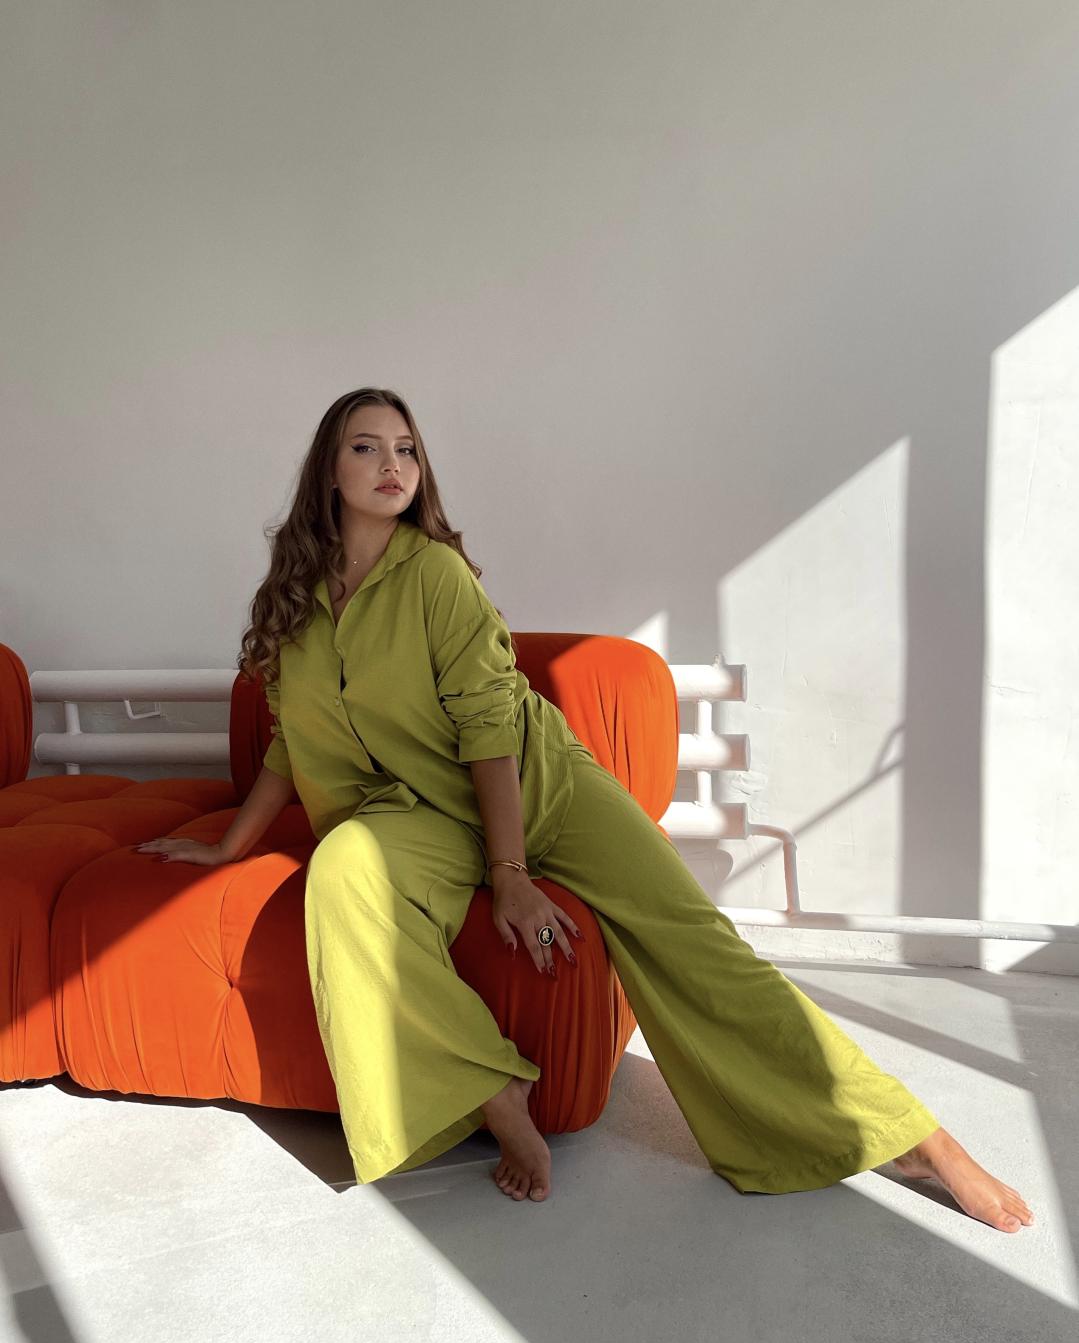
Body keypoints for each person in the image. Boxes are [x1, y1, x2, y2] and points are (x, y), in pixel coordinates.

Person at [136, 387, 1034, 1234]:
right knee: (341, 873)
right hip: (416, 816)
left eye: (406, 449)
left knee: (696, 944)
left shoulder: (435, 576)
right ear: (328, 474)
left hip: (543, 791)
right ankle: (493, 1091)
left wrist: (511, 874)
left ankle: (911, 1138)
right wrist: (230, 848)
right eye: (366, 448)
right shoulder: (294, 600)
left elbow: (491, 729)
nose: (392, 465)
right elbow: (290, 744)